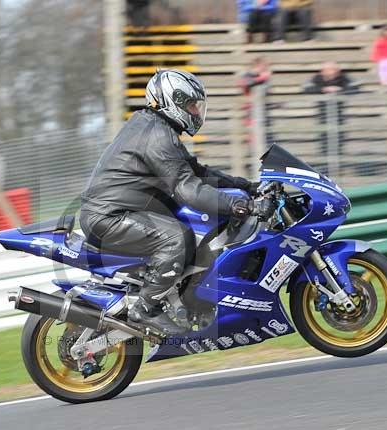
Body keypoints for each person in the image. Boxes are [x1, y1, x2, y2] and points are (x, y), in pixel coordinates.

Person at [79, 70, 256, 336]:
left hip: (119, 211)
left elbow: (197, 172)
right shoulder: (157, 136)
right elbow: (190, 190)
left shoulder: (156, 127)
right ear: (172, 102)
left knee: (195, 234)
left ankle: (188, 302)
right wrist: (237, 206)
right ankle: (145, 309)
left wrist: (245, 186)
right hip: (109, 216)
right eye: (191, 105)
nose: (196, 112)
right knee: (176, 238)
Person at [304, 62, 358, 158]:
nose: (332, 72)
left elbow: (355, 87)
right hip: (323, 112)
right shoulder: (317, 78)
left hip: (339, 112)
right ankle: (324, 159)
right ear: (322, 71)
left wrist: (339, 90)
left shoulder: (344, 77)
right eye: (329, 70)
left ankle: (338, 157)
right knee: (324, 135)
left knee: (339, 135)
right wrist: (323, 90)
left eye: (334, 70)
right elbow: (306, 88)